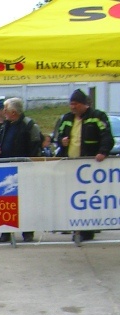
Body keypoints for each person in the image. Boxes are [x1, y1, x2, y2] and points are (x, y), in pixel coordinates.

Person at [56, 89, 113, 242]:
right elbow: (59, 136)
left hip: (89, 167)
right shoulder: (67, 118)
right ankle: (76, 227)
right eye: (71, 104)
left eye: (75, 104)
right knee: (74, 198)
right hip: (71, 165)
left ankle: (87, 229)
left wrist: (103, 152)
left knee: (89, 198)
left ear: (83, 104)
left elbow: (107, 136)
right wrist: (62, 141)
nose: (72, 107)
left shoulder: (97, 117)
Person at [0, 97, 43, 243]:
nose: (3, 112)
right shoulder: (6, 125)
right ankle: (6, 230)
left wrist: (30, 163)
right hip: (6, 168)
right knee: (6, 200)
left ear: (13, 112)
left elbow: (36, 146)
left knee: (26, 201)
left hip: (25, 169)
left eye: (6, 109)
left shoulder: (29, 125)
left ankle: (27, 231)